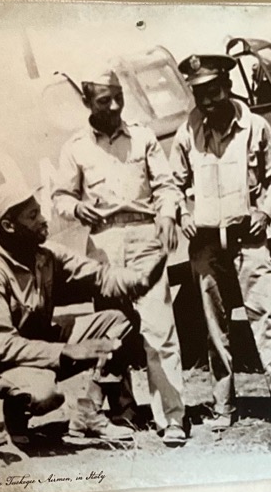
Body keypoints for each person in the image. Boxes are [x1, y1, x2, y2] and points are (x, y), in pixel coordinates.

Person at [168, 53, 271, 434]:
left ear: (227, 87)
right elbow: (172, 184)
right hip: (205, 246)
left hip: (248, 240)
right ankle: (223, 405)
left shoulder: (255, 128)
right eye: (199, 94)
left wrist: (265, 211)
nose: (207, 101)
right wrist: (182, 214)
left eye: (213, 91)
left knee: (268, 317)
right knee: (215, 328)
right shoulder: (187, 134)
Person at [0, 181, 165, 445]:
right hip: (7, 365)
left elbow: (99, 276)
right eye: (32, 216)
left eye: (40, 211)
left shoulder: (46, 254)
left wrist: (138, 280)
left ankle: (88, 411)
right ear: (8, 226)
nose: (43, 220)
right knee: (44, 393)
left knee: (120, 322)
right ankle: (15, 414)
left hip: (45, 344)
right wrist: (66, 350)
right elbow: (1, 345)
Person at [52, 65, 187, 446]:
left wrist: (166, 214)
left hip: (145, 238)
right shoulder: (75, 147)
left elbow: (166, 186)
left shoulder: (142, 137)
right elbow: (61, 196)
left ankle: (172, 417)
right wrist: (76, 208)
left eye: (118, 98)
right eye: (103, 101)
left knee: (159, 329)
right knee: (114, 330)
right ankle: (123, 411)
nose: (113, 107)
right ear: (87, 102)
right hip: (104, 245)